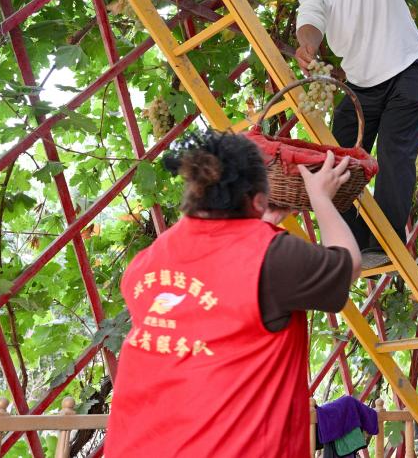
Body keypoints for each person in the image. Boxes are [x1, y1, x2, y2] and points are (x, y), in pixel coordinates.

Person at [105, 131, 360, 457]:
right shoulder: (271, 257)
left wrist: (258, 224)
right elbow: (349, 265)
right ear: (258, 199)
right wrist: (321, 198)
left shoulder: (145, 264)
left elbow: (217, 281)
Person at [294, 0, 418, 269]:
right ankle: (353, 243)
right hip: (360, 85)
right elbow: (311, 18)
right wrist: (308, 45)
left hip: (406, 68)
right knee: (335, 158)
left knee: (393, 154)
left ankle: (384, 245)